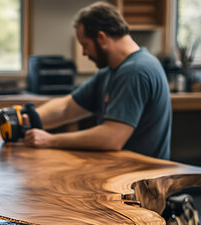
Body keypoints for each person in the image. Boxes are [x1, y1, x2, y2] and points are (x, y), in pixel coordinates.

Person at [23, 1, 172, 159]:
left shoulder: (135, 71)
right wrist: (24, 119)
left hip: (141, 178)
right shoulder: (112, 71)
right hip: (123, 170)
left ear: (101, 38)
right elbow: (67, 107)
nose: (84, 53)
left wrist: (51, 140)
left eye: (85, 45)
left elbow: (112, 137)